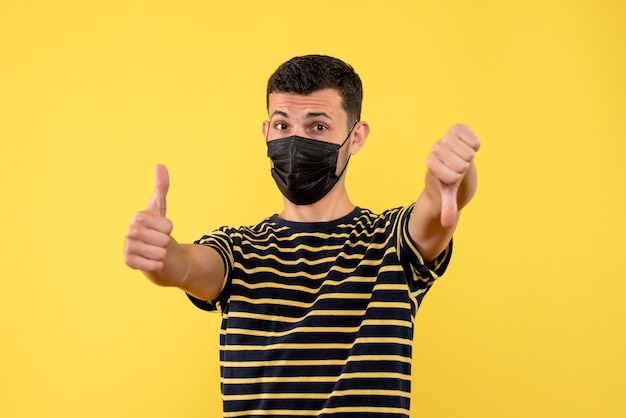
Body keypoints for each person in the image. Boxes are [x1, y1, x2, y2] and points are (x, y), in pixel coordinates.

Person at [124, 54, 480, 418]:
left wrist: (454, 175)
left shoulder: (390, 242)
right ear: (265, 133)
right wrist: (160, 257)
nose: (295, 142)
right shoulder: (238, 250)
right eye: (282, 125)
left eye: (318, 127)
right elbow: (185, 266)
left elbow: (436, 207)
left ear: (355, 137)